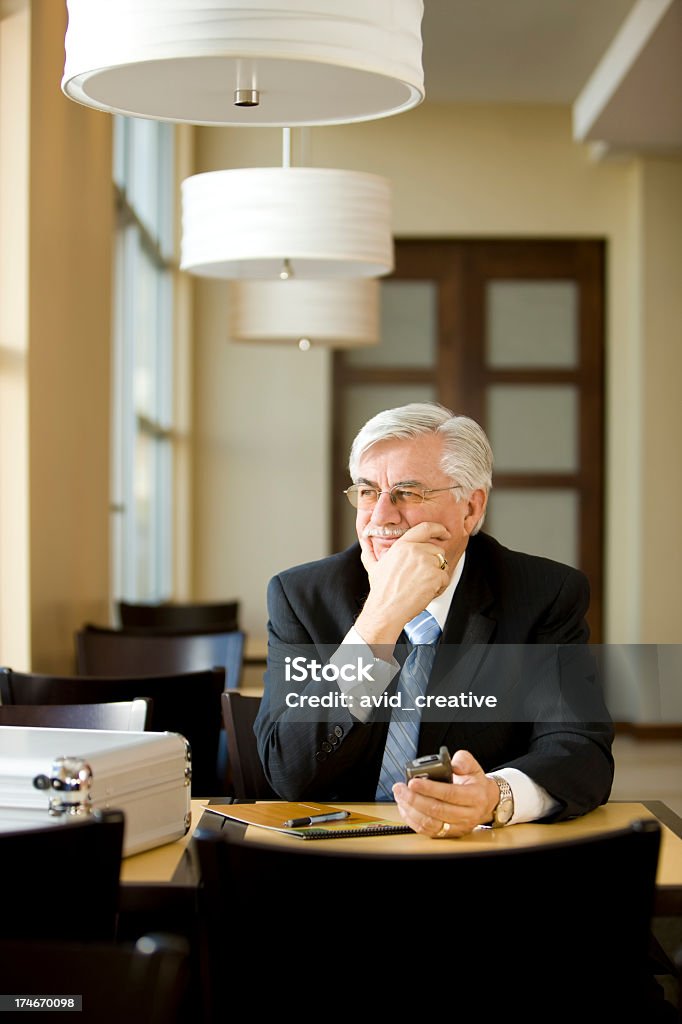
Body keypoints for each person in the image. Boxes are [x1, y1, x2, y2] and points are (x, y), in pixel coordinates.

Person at [254, 402, 614, 837]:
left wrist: (493, 796)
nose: (381, 517)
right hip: (338, 855)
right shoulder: (301, 596)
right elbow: (289, 773)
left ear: (471, 509)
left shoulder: (543, 595)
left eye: (408, 493)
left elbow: (581, 752)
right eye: (367, 492)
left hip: (473, 854)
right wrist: (378, 622)